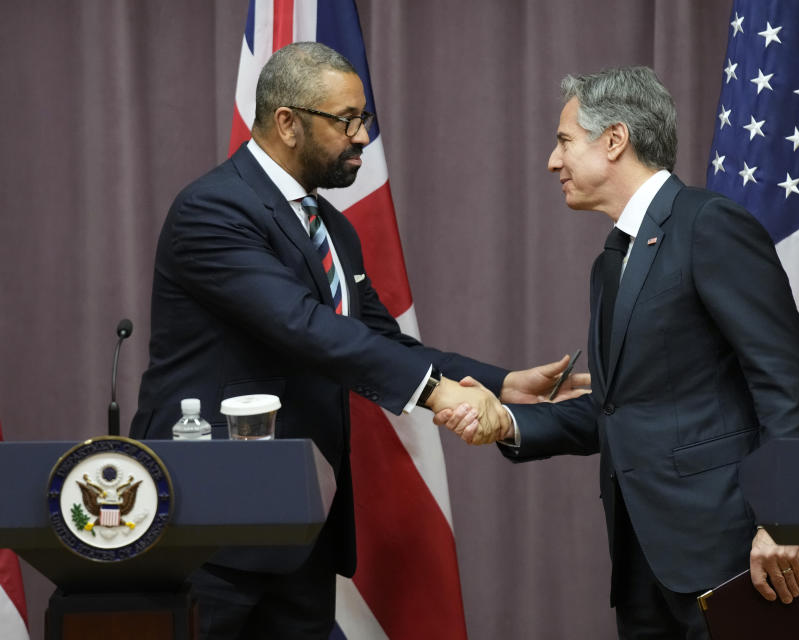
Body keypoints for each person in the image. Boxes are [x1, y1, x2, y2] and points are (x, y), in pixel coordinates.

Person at [130, 42, 586, 639]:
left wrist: (500, 382)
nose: (362, 137)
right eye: (346, 120)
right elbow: (304, 327)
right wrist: (438, 395)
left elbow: (374, 339)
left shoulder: (332, 228)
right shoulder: (214, 209)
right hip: (210, 529)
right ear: (288, 123)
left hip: (300, 528)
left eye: (363, 120)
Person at [439, 66, 799, 639]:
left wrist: (784, 519)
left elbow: (786, 382)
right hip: (644, 562)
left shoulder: (709, 225)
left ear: (614, 140)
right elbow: (617, 410)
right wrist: (508, 423)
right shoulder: (610, 261)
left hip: (734, 555)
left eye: (565, 141)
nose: (552, 160)